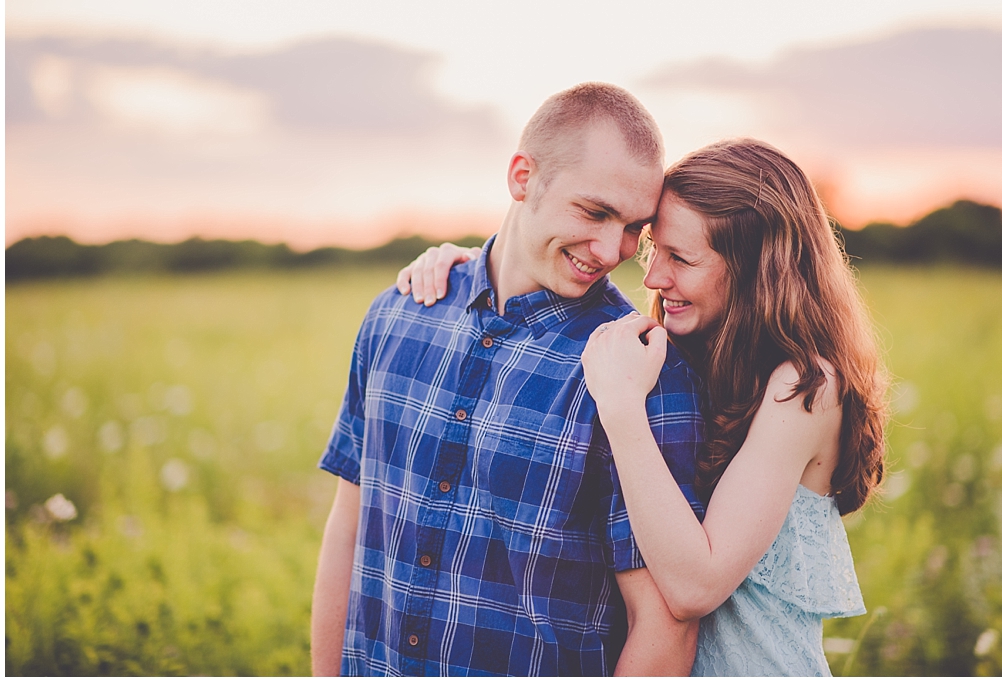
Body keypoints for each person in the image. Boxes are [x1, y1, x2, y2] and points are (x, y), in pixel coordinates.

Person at [401, 138, 887, 676]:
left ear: (756, 271)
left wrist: (622, 409)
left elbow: (693, 586)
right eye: (656, 248)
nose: (653, 276)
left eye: (681, 258)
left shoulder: (804, 388)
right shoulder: (697, 351)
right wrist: (474, 265)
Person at [311, 82, 707, 676]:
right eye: (594, 211)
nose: (610, 249)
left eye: (634, 228)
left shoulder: (642, 369)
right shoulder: (395, 317)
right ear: (523, 177)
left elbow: (665, 626)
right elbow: (349, 529)